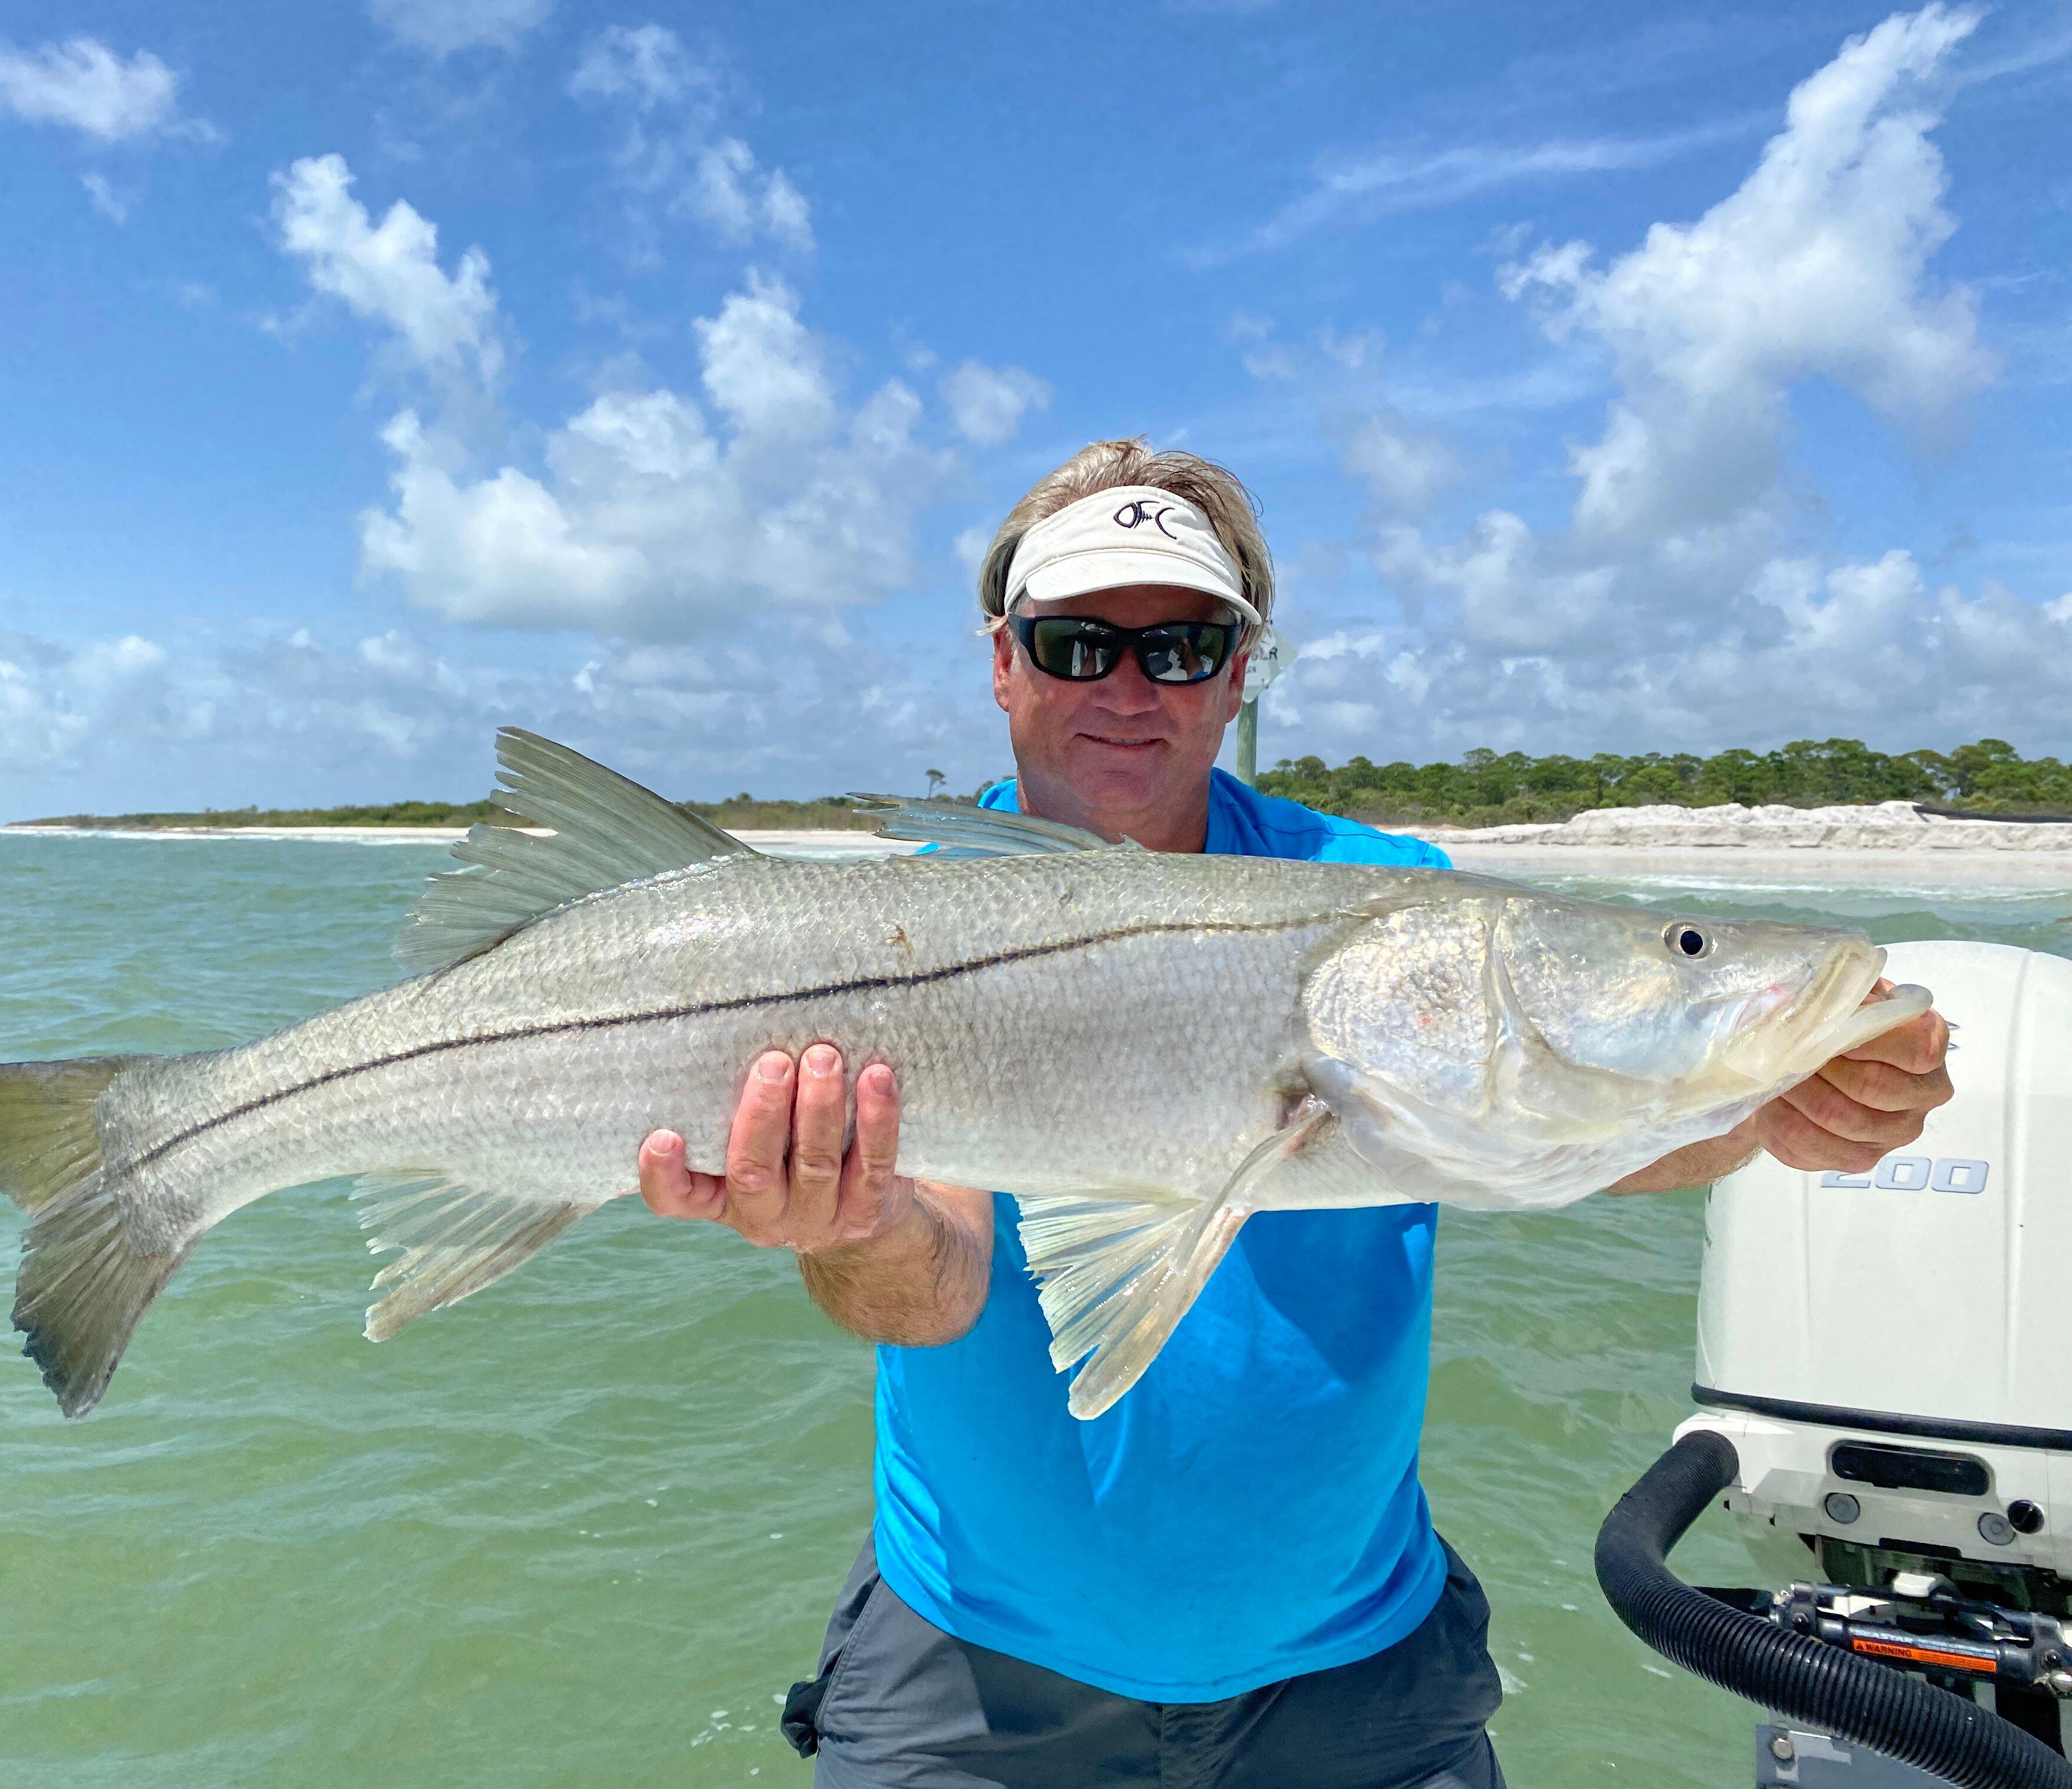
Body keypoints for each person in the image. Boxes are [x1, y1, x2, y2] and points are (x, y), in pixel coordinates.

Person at [633, 438, 1956, 1789]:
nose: (1131, 689)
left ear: (1241, 672)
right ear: (1003, 663)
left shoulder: (1389, 889)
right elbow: (935, 1288)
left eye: (1185, 646)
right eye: (1079, 645)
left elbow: (1547, 1124)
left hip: (1358, 1668)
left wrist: (1775, 1109)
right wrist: (851, 1224)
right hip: (974, 1669)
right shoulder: (904, 917)